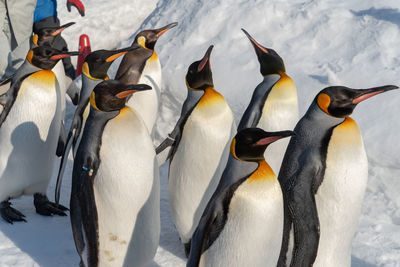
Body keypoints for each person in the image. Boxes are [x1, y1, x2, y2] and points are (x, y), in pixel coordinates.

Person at [0, 0, 84, 82]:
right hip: (17, 14)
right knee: (18, 59)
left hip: (42, 11)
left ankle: (70, 80)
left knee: (56, 49)